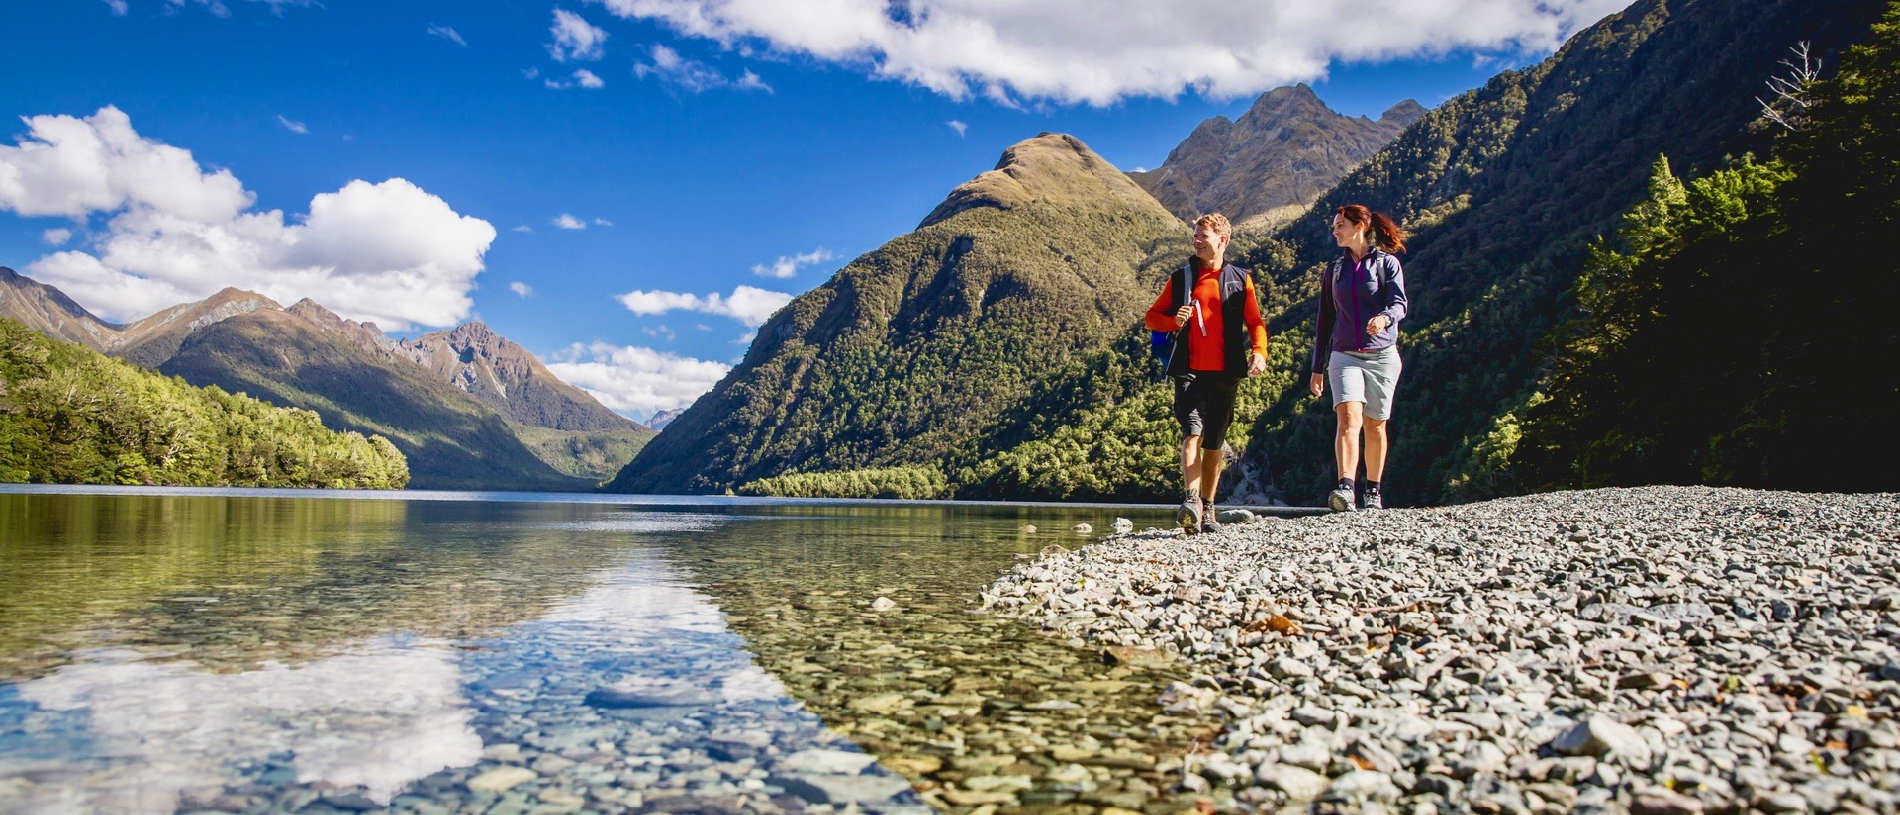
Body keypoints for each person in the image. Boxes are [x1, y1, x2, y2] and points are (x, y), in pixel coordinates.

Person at [1145, 213, 1269, 534]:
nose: (1196, 241)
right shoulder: (1182, 278)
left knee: (1214, 443)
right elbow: (1151, 317)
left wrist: (1259, 351)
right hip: (1189, 370)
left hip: (1225, 373)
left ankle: (1209, 507)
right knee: (1192, 432)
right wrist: (1174, 321)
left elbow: (1255, 322)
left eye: (1203, 236)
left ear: (1222, 240)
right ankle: (1191, 501)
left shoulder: (1241, 279)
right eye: (1195, 236)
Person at [1309, 204, 1409, 512]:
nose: (1335, 231)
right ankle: (1345, 489)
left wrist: (1384, 319)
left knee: (1375, 424)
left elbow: (1399, 304)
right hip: (1344, 355)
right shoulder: (1334, 271)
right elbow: (1324, 320)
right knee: (1348, 417)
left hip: (1382, 355)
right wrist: (1317, 368)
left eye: (1340, 225)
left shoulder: (1386, 264)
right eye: (1335, 226)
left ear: (1359, 227)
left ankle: (1373, 491)